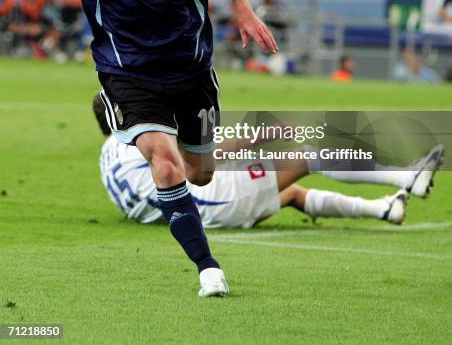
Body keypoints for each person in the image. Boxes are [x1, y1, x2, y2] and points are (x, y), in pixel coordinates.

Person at [23, 0, 278, 298]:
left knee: (198, 172)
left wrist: (243, 11)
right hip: (127, 72)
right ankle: (209, 269)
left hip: (190, 67)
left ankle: (189, 164)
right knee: (163, 162)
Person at [93, 94, 444, 229]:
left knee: (290, 193)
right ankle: (406, 177)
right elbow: (196, 163)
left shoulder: (107, 157)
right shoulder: (138, 139)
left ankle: (383, 210)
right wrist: (260, 135)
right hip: (211, 202)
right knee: (310, 155)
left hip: (196, 210)